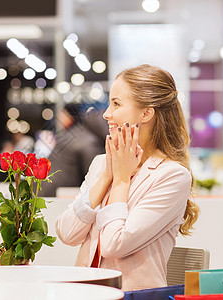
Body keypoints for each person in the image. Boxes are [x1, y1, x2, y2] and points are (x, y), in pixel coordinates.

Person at [55, 64, 200, 291]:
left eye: (116, 104)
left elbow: (114, 245)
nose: (106, 113)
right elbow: (67, 233)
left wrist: (121, 180)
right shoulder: (101, 164)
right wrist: (106, 177)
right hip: (85, 292)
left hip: (133, 296)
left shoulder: (171, 175)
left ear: (146, 113)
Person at [39, 103, 105, 197]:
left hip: (45, 193)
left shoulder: (73, 134)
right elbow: (95, 179)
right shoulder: (88, 141)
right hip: (56, 198)